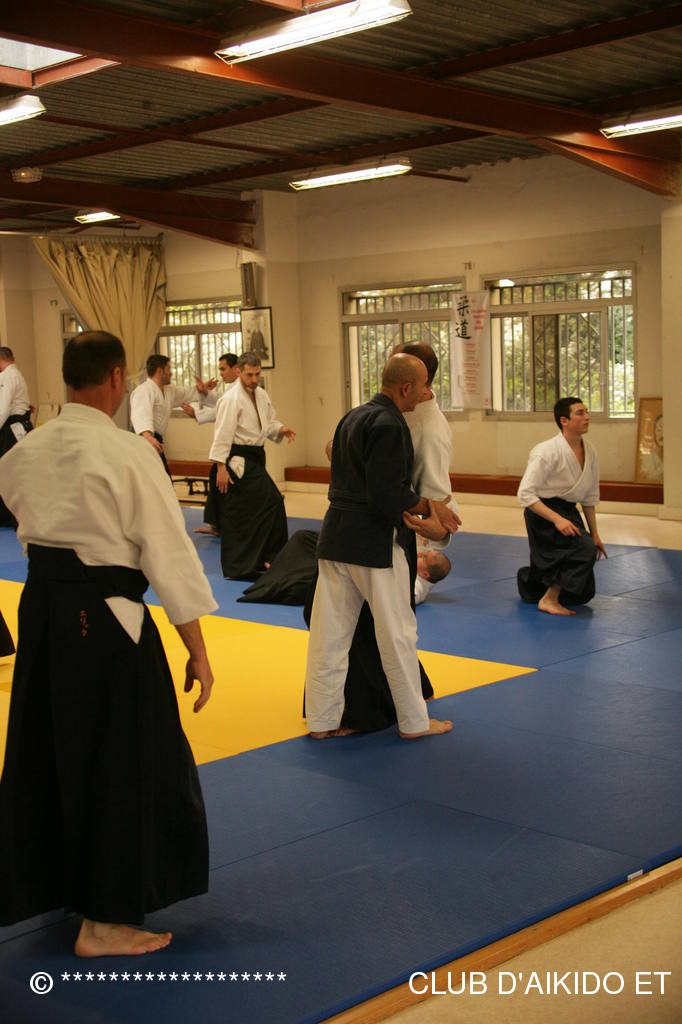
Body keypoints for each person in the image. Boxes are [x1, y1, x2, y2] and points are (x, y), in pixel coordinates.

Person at [0, 331, 217, 957]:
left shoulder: (24, 451)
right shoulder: (128, 453)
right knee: (122, 762)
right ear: (118, 378)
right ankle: (103, 921)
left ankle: (56, 886)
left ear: (68, 378)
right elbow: (168, 555)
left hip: (42, 612)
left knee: (52, 749)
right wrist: (197, 648)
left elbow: (20, 512)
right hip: (105, 618)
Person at [304, 353, 457, 740]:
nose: (425, 394)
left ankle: (321, 721)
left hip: (334, 539)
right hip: (374, 545)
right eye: (422, 387)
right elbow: (386, 494)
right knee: (398, 635)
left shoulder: (352, 416)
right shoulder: (390, 424)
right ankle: (414, 722)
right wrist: (429, 507)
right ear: (406, 387)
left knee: (329, 636)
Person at [517, 396, 607, 616]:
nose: (587, 417)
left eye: (587, 412)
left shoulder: (591, 452)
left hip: (568, 511)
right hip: (543, 513)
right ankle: (549, 598)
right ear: (564, 420)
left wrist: (595, 534)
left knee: (582, 594)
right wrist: (557, 520)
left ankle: (531, 584)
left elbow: (589, 497)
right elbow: (525, 494)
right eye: (580, 413)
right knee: (584, 549)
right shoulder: (546, 451)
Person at [209, 351, 295, 579]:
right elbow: (222, 433)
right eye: (250, 375)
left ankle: (256, 562)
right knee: (273, 501)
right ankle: (272, 559)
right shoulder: (230, 399)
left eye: (257, 374)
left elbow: (267, 423)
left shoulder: (261, 395)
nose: (254, 379)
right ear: (239, 371)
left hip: (256, 456)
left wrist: (281, 429)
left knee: (249, 511)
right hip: (239, 458)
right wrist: (220, 467)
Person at [180, 353, 240, 536]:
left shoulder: (239, 390)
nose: (220, 373)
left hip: (235, 446)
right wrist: (205, 394)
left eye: (223, 369)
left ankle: (224, 526)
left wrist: (196, 414)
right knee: (218, 481)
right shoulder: (233, 390)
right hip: (231, 446)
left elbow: (219, 410)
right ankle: (218, 525)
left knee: (224, 483)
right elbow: (220, 403)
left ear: (235, 368)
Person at [130, 353, 209, 476]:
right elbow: (141, 414)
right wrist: (148, 436)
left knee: (160, 479)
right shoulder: (144, 390)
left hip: (154, 440)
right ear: (160, 371)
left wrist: (200, 389)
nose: (171, 373)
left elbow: (185, 393)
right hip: (143, 439)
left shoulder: (168, 390)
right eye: (169, 369)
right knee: (154, 479)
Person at [0, 346, 32, 528]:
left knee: (9, 471)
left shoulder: (10, 376)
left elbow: (3, 409)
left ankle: (11, 515)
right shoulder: (14, 374)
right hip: (15, 426)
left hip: (11, 429)